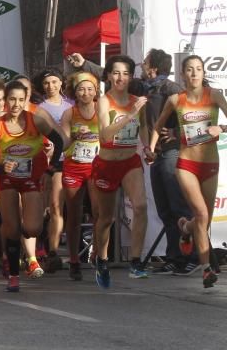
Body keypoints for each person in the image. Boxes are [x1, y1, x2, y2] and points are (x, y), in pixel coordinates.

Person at [0, 80, 65, 293]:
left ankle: (21, 249)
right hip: (7, 180)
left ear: (26, 100)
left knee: (33, 228)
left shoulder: (36, 120)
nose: (16, 104)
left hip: (32, 179)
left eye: (20, 99)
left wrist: (50, 169)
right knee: (13, 227)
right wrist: (1, 167)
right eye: (12, 99)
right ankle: (14, 275)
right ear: (5, 101)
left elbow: (60, 142)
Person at [150, 55, 227, 289]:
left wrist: (221, 127)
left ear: (204, 73)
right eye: (190, 70)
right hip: (186, 164)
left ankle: (186, 227)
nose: (194, 74)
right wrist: (152, 148)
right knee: (202, 215)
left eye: (199, 69)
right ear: (183, 74)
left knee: (203, 220)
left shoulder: (214, 96)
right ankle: (206, 270)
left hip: (210, 164)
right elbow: (158, 125)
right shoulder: (175, 99)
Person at [92, 55, 153, 288]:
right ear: (108, 76)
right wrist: (129, 114)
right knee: (106, 218)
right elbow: (105, 135)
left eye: (125, 73)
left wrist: (147, 147)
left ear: (131, 76)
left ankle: (136, 263)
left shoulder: (138, 100)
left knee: (141, 206)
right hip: (107, 163)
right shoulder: (105, 101)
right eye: (116, 73)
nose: (120, 78)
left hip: (130, 161)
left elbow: (144, 127)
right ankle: (102, 259)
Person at [140, 49, 193, 275]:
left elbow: (193, 116)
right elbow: (113, 75)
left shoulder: (172, 89)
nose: (141, 65)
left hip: (173, 154)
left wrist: (176, 132)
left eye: (145, 62)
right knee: (165, 210)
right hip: (156, 155)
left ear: (153, 67)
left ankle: (192, 257)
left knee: (179, 207)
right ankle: (174, 257)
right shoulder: (145, 88)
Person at [59, 73, 100, 281]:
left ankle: (99, 255)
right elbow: (64, 143)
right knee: (74, 214)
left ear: (96, 91)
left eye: (90, 89)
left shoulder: (102, 111)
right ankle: (74, 260)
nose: (86, 93)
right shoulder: (69, 113)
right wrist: (73, 136)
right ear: (75, 92)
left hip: (95, 167)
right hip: (74, 166)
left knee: (99, 212)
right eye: (81, 89)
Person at [33, 69, 73, 275]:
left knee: (63, 207)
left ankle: (59, 252)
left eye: (55, 82)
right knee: (47, 208)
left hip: (71, 160)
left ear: (62, 83)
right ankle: (44, 252)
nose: (51, 86)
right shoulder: (39, 109)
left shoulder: (71, 106)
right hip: (47, 162)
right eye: (47, 83)